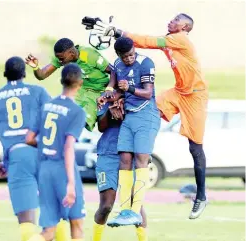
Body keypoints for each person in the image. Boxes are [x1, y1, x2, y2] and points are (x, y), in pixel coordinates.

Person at [83, 13, 208, 219]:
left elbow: (148, 42)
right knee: (147, 109)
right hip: (178, 92)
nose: (172, 20)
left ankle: (201, 197)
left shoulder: (180, 39)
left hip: (195, 97)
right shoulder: (171, 40)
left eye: (177, 20)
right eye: (173, 18)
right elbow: (135, 47)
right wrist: (116, 35)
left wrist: (116, 31)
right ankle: (143, 152)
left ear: (185, 28)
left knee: (195, 147)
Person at [0, 57, 51, 241]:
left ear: (5, 74)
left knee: (26, 220)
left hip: (18, 156)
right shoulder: (38, 91)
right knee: (55, 211)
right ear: (24, 73)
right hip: (43, 152)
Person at [97, 37, 160, 227]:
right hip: (130, 117)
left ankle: (135, 211)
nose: (130, 59)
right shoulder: (117, 64)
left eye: (132, 54)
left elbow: (148, 93)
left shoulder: (146, 63)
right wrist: (107, 98)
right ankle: (125, 210)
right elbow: (116, 91)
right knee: (124, 158)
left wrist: (130, 88)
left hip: (146, 115)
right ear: (119, 55)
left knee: (141, 159)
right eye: (126, 57)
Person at [25, 63, 86, 241]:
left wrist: (45, 146)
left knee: (48, 232)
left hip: (44, 169)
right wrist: (71, 184)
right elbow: (68, 147)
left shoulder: (46, 106)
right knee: (77, 225)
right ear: (80, 83)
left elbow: (29, 138)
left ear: (62, 81)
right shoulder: (76, 111)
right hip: (62, 168)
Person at [25, 38, 114, 132]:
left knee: (93, 124)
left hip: (99, 91)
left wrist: (110, 89)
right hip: (80, 90)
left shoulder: (89, 55)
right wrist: (35, 67)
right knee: (65, 111)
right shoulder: (61, 57)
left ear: (71, 53)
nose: (60, 62)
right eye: (58, 59)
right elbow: (42, 75)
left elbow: (113, 71)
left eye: (62, 59)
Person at [93, 97, 148, 241]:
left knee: (136, 205)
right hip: (108, 154)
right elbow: (101, 127)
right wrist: (110, 110)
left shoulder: (138, 95)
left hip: (131, 153)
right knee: (106, 206)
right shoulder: (106, 96)